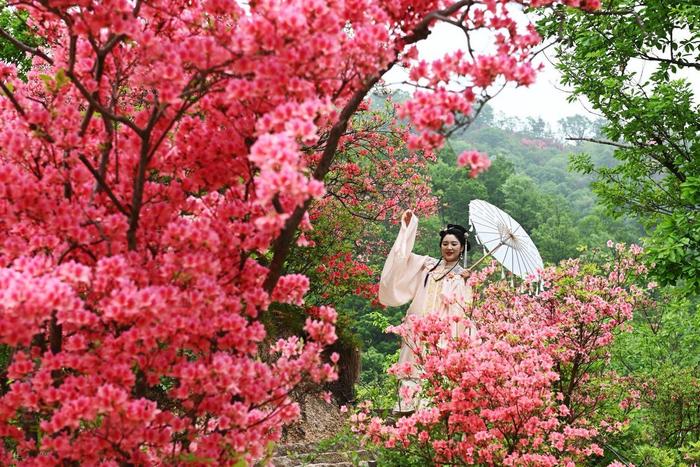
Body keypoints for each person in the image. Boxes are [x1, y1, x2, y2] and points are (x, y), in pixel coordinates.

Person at [379, 209, 474, 413]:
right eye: (445, 243)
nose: (449, 247)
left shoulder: (464, 275)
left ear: (462, 248)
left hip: (443, 333)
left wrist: (464, 282)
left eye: (454, 244)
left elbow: (465, 310)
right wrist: (408, 227)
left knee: (436, 368)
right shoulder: (426, 265)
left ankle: (431, 412)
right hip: (417, 329)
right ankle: (406, 408)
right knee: (411, 365)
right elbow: (401, 258)